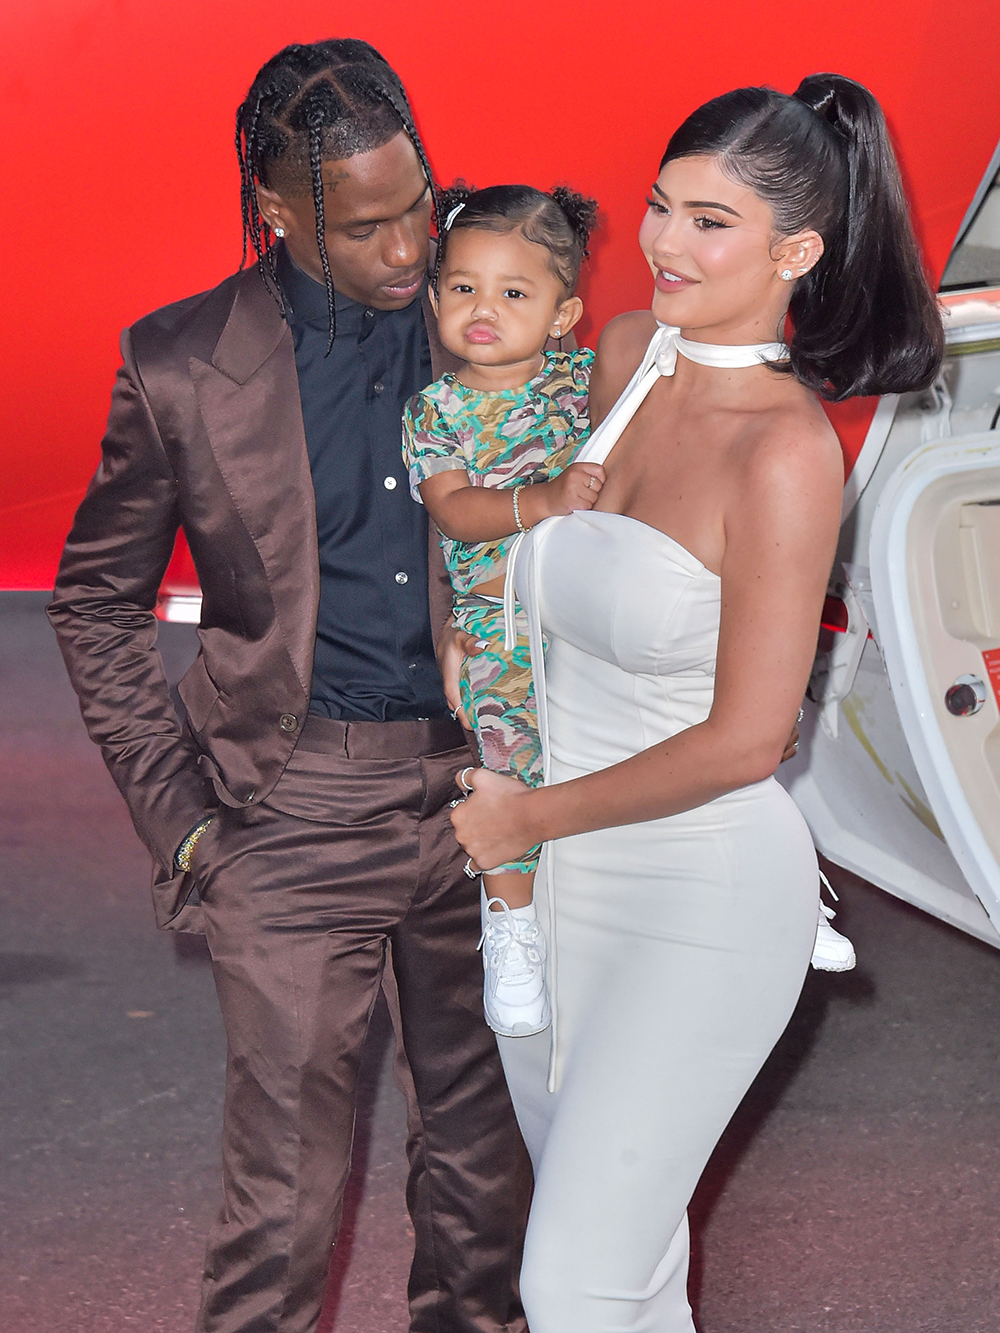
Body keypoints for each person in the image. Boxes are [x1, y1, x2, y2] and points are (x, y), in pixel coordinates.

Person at [47, 39, 531, 1333]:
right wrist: (185, 824)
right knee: (285, 1216)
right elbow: (94, 600)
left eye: (418, 205)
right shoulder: (185, 366)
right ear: (276, 213)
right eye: (365, 226)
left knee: (493, 1188)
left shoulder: (491, 307)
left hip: (494, 802)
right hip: (292, 807)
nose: (405, 249)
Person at [451, 74, 943, 1331]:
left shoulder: (785, 450)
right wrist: (469, 633)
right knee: (621, 1262)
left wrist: (526, 818)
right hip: (547, 880)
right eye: (661, 205)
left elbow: (747, 739)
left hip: (694, 894)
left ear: (796, 250)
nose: (665, 241)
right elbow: (513, 531)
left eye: (708, 221)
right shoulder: (621, 355)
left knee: (574, 1282)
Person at [402, 182, 601, 1038]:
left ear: (565, 313)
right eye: (463, 288)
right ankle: (512, 922)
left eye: (514, 292)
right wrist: (545, 499)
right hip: (501, 627)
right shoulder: (436, 410)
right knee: (507, 763)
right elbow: (456, 510)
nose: (483, 309)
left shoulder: (589, 382)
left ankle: (766, 886)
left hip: (593, 617)